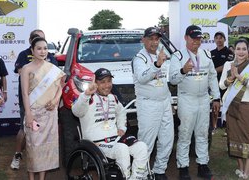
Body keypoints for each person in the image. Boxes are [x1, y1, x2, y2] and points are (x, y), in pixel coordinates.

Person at [72, 68, 148, 179]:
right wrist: (86, 94)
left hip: (115, 140)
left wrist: (122, 127)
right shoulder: (87, 98)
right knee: (122, 149)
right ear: (95, 83)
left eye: (109, 81)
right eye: (102, 82)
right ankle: (124, 177)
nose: (107, 85)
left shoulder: (113, 98)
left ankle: (136, 178)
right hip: (96, 143)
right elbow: (76, 111)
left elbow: (121, 112)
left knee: (141, 147)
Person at [169, 25, 220, 180]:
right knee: (185, 134)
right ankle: (183, 167)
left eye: (198, 39)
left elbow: (212, 77)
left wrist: (216, 97)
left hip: (204, 99)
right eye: (193, 38)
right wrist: (183, 70)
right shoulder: (177, 56)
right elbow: (172, 80)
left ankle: (202, 165)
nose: (196, 42)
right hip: (187, 99)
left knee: (203, 133)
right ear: (186, 38)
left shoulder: (206, 54)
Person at [10, 29, 58, 170]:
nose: (42, 50)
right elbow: (22, 73)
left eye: (43, 40)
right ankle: (18, 155)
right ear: (31, 41)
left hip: (47, 104)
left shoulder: (50, 56)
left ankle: (43, 162)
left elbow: (57, 78)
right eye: (36, 38)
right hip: (30, 102)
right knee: (24, 128)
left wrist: (55, 99)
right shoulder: (23, 55)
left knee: (45, 134)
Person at [132, 27, 173, 180]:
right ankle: (140, 174)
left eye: (157, 39)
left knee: (167, 139)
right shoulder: (139, 59)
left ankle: (159, 170)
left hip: (164, 103)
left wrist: (169, 102)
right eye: (151, 39)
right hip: (148, 105)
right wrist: (156, 64)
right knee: (146, 142)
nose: (154, 42)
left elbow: (163, 82)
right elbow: (142, 78)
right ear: (143, 40)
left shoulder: (161, 55)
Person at [21, 37, 65, 180]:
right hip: (33, 113)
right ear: (32, 50)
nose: (43, 51)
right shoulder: (26, 69)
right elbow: (25, 94)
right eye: (39, 48)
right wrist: (28, 114)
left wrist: (55, 100)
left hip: (50, 113)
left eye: (45, 48)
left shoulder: (53, 69)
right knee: (33, 147)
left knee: (46, 147)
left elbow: (60, 87)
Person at [219, 39, 249, 179]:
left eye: (244, 49)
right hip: (231, 104)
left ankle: (248, 169)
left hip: (247, 103)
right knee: (234, 135)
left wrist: (239, 77)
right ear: (234, 50)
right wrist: (230, 78)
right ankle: (240, 167)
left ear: (248, 51)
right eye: (238, 49)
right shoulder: (228, 65)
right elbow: (222, 85)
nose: (241, 52)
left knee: (247, 135)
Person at [210, 31, 234, 132]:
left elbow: (226, 66)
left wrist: (213, 71)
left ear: (224, 39)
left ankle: (228, 127)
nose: (219, 40)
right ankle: (214, 126)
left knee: (227, 104)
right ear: (214, 40)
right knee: (215, 104)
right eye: (217, 38)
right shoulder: (211, 53)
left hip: (226, 83)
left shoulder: (229, 52)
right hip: (214, 83)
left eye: (221, 38)